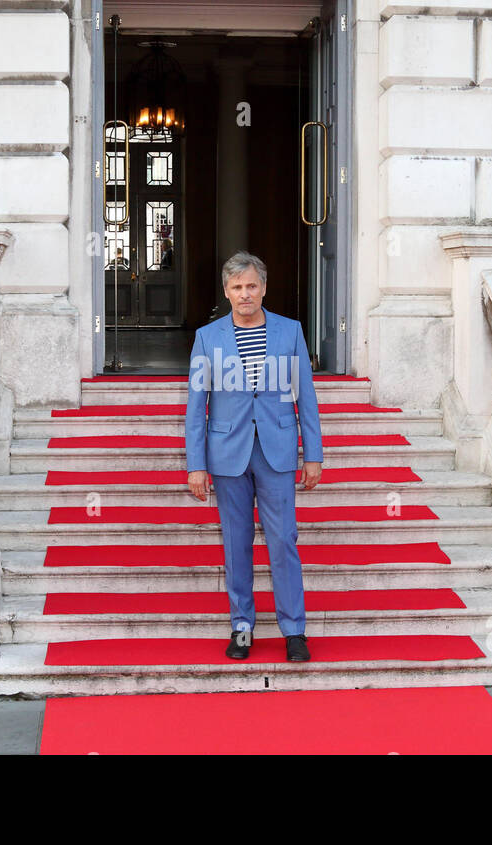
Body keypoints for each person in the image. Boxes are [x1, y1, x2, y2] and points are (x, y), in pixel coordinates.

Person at [185, 250, 323, 662]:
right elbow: (196, 405)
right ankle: (242, 627)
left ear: (263, 288)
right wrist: (196, 465)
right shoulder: (208, 338)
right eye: (236, 287)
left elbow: (307, 397)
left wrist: (312, 453)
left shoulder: (290, 331)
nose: (244, 294)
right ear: (226, 292)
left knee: (283, 541)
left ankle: (294, 630)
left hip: (277, 452)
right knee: (236, 542)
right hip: (227, 454)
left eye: (251, 286)